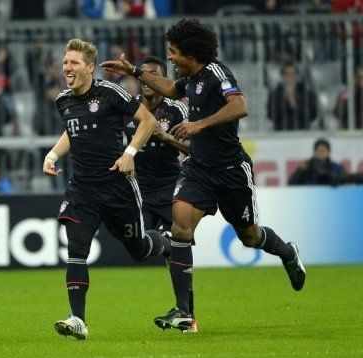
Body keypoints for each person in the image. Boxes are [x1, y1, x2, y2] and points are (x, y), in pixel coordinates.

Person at [101, 18, 306, 333]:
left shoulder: (216, 73)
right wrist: (135, 72)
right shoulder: (189, 78)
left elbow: (240, 105)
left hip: (230, 170)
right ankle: (185, 313)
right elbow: (170, 88)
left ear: (190, 52)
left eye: (173, 52)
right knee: (180, 228)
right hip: (198, 168)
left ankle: (286, 251)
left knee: (249, 236)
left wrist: (200, 124)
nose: (169, 58)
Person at [43, 39, 170, 340]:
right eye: (65, 62)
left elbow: (148, 120)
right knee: (76, 249)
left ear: (89, 67)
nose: (67, 68)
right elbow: (72, 131)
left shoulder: (110, 93)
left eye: (73, 63)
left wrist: (130, 154)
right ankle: (78, 320)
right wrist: (52, 155)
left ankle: (164, 245)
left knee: (139, 250)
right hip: (82, 190)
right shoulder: (63, 100)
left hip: (117, 189)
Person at [125, 55, 189, 233]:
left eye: (152, 75)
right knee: (141, 249)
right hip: (140, 190)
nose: (146, 80)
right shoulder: (129, 108)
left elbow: (196, 147)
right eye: (143, 74)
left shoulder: (176, 109)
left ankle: (167, 243)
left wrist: (167, 137)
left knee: (177, 242)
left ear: (163, 80)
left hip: (170, 187)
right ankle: (163, 242)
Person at [267, 62, 318, 131]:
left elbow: (313, 114)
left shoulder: (305, 92)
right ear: (283, 75)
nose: (291, 76)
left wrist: (295, 104)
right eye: (287, 74)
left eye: (293, 74)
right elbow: (270, 115)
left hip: (302, 131)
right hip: (281, 132)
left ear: (297, 75)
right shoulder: (276, 93)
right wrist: (284, 101)